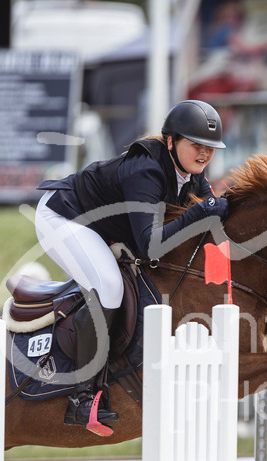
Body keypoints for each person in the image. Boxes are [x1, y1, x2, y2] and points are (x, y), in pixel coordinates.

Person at [35, 100, 229, 432]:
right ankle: (82, 398)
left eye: (209, 147)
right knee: (108, 287)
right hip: (62, 217)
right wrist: (201, 212)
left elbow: (211, 215)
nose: (204, 153)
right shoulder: (147, 171)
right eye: (196, 145)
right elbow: (152, 246)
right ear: (171, 141)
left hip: (98, 225)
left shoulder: (192, 175)